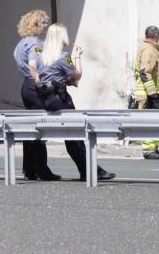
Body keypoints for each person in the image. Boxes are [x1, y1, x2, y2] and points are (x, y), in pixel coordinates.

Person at [30, 22, 115, 182]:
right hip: (62, 101)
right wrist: (77, 56)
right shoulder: (63, 57)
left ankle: (88, 170)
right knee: (75, 137)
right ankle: (89, 170)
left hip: (48, 100)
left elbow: (45, 75)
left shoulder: (41, 56)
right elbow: (77, 74)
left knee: (71, 138)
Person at [12, 10, 60, 181]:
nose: (46, 26)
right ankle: (42, 170)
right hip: (35, 85)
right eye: (43, 23)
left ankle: (29, 169)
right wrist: (39, 82)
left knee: (29, 128)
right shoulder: (35, 44)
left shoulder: (21, 43)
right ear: (35, 25)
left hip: (26, 86)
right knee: (40, 128)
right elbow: (33, 64)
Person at [133, 25, 159, 160]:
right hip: (148, 94)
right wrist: (152, 92)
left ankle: (153, 147)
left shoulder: (153, 50)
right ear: (157, 35)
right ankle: (149, 150)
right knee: (150, 122)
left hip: (153, 93)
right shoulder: (149, 50)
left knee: (158, 121)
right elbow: (144, 71)